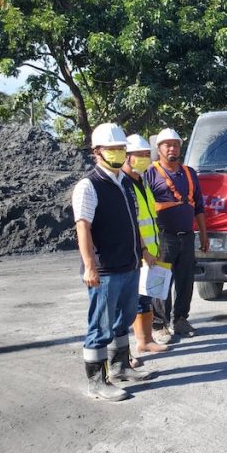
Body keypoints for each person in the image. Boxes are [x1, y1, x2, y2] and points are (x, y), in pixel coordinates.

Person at [72, 123, 153, 402]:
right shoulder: (89, 185)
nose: (118, 153)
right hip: (105, 270)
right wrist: (90, 265)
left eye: (121, 149)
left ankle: (120, 368)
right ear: (97, 152)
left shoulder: (125, 183)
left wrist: (142, 252)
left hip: (129, 265)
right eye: (113, 149)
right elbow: (83, 226)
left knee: (124, 319)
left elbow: (134, 223)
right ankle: (97, 381)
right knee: (100, 326)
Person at [143, 128, 209, 342]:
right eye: (167, 145)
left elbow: (198, 206)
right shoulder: (150, 173)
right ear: (159, 148)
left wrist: (204, 235)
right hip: (163, 237)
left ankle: (180, 320)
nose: (172, 148)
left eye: (176, 144)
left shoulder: (189, 173)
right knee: (161, 281)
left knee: (185, 280)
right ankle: (160, 324)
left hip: (187, 236)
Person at [122, 134, 168, 366]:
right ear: (127, 156)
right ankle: (131, 347)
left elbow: (150, 218)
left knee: (145, 298)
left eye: (145, 155)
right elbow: (132, 222)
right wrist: (143, 251)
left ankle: (145, 340)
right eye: (139, 155)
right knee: (133, 302)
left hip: (150, 250)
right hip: (136, 253)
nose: (144, 159)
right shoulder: (124, 184)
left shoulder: (142, 182)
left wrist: (155, 248)